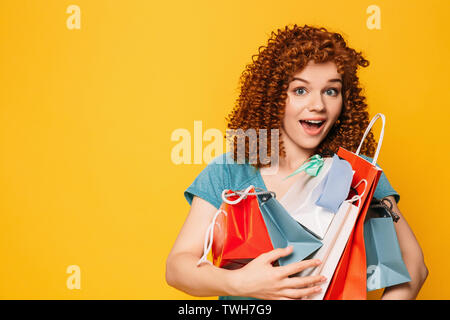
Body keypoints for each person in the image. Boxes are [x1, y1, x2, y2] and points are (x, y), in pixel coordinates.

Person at [165, 24, 428, 300]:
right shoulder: (229, 172)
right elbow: (178, 266)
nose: (318, 105)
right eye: (300, 91)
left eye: (331, 91)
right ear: (273, 97)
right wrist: (240, 283)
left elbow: (414, 266)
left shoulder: (357, 174)